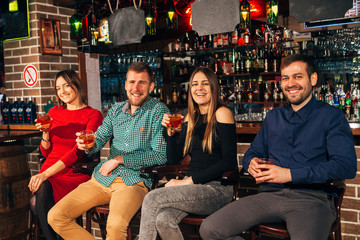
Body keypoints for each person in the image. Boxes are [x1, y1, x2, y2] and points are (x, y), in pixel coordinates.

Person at [199, 54, 357, 240]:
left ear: (312, 79)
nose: (290, 83)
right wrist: (251, 162)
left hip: (312, 199)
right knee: (209, 229)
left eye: (298, 77)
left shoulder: (332, 117)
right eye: (285, 78)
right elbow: (252, 153)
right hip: (268, 196)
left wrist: (290, 174)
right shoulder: (273, 117)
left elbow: (346, 166)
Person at [48, 62, 169, 240]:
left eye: (142, 83)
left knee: (115, 225)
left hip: (134, 182)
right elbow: (98, 139)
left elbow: (159, 155)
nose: (136, 88)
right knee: (56, 216)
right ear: (126, 84)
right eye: (132, 82)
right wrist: (88, 145)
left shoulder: (158, 111)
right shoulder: (115, 110)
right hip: (102, 179)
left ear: (151, 86)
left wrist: (120, 159)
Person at [138, 66, 237, 240]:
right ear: (190, 89)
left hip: (217, 189)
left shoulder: (222, 113)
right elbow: (174, 159)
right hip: (193, 188)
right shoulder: (190, 118)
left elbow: (228, 162)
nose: (199, 88)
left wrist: (186, 182)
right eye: (195, 84)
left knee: (152, 198)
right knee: (163, 219)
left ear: (213, 87)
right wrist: (168, 134)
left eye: (205, 84)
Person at [28, 69, 103, 240]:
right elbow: (46, 152)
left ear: (77, 85)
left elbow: (79, 152)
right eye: (58, 88)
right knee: (39, 198)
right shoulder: (54, 112)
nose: (62, 92)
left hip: (74, 172)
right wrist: (45, 133)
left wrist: (45, 174)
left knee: (42, 194)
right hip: (50, 169)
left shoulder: (93, 115)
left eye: (66, 86)